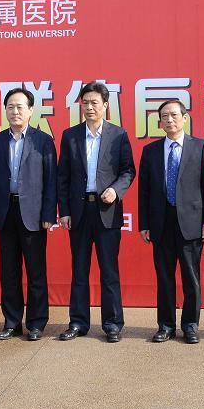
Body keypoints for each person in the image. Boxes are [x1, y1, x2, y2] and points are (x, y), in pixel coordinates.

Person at [56, 81, 135, 343]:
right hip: (79, 211)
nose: (89, 107)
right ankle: (78, 322)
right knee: (79, 270)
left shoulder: (118, 135)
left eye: (94, 103)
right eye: (85, 102)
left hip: (107, 211)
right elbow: (63, 176)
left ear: (105, 105)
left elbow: (128, 170)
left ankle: (112, 324)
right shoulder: (70, 136)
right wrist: (64, 210)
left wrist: (116, 190)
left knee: (109, 270)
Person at [138, 99, 204, 344]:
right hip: (160, 223)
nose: (169, 120)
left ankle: (190, 325)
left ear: (184, 118)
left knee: (191, 278)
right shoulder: (150, 151)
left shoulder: (199, 147)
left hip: (191, 223)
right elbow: (144, 191)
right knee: (164, 278)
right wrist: (144, 224)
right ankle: (166, 326)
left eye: (173, 115)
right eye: (164, 116)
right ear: (159, 122)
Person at [0, 87, 58, 341]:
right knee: (9, 272)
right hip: (5, 213)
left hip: (33, 215)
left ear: (30, 111)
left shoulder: (43, 140)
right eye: (10, 107)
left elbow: (51, 181)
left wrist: (49, 213)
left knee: (36, 272)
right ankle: (12, 322)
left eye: (20, 107)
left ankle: (36, 323)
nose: (15, 111)